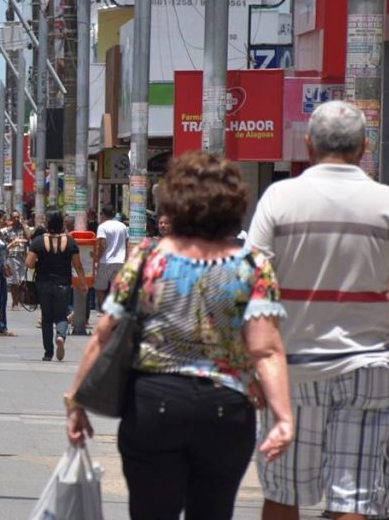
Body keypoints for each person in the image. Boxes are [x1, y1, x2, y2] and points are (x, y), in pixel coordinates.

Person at [64, 151, 294, 518]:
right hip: (227, 409)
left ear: (172, 202)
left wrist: (77, 402)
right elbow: (266, 351)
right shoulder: (253, 267)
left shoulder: (148, 259)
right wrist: (283, 417)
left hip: (153, 404)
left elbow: (104, 333)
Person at [248, 100, 389, 519]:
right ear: (364, 147)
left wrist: (248, 365)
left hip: (289, 369)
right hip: (363, 369)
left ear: (309, 146)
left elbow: (250, 286)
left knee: (282, 493)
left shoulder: (279, 199)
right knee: (354, 498)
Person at [26, 210, 87, 362]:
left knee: (46, 318)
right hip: (63, 284)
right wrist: (83, 283)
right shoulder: (70, 242)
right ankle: (60, 336)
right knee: (61, 315)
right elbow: (78, 265)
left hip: (43, 283)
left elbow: (29, 263)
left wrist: (41, 263)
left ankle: (48, 353)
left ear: (48, 223)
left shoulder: (39, 241)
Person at [94, 204, 128, 311]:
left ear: (103, 214)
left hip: (106, 261)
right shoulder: (122, 226)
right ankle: (115, 311)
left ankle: (105, 311)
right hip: (121, 261)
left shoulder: (102, 227)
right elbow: (126, 243)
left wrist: (97, 259)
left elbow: (102, 244)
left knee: (99, 287)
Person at [1, 210, 30, 307]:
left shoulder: (24, 228)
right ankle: (15, 302)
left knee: (22, 280)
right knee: (15, 280)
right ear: (11, 218)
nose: (16, 219)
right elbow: (4, 245)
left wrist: (23, 224)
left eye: (18, 217)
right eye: (14, 217)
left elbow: (29, 237)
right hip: (12, 257)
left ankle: (20, 300)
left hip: (23, 256)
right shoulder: (7, 230)